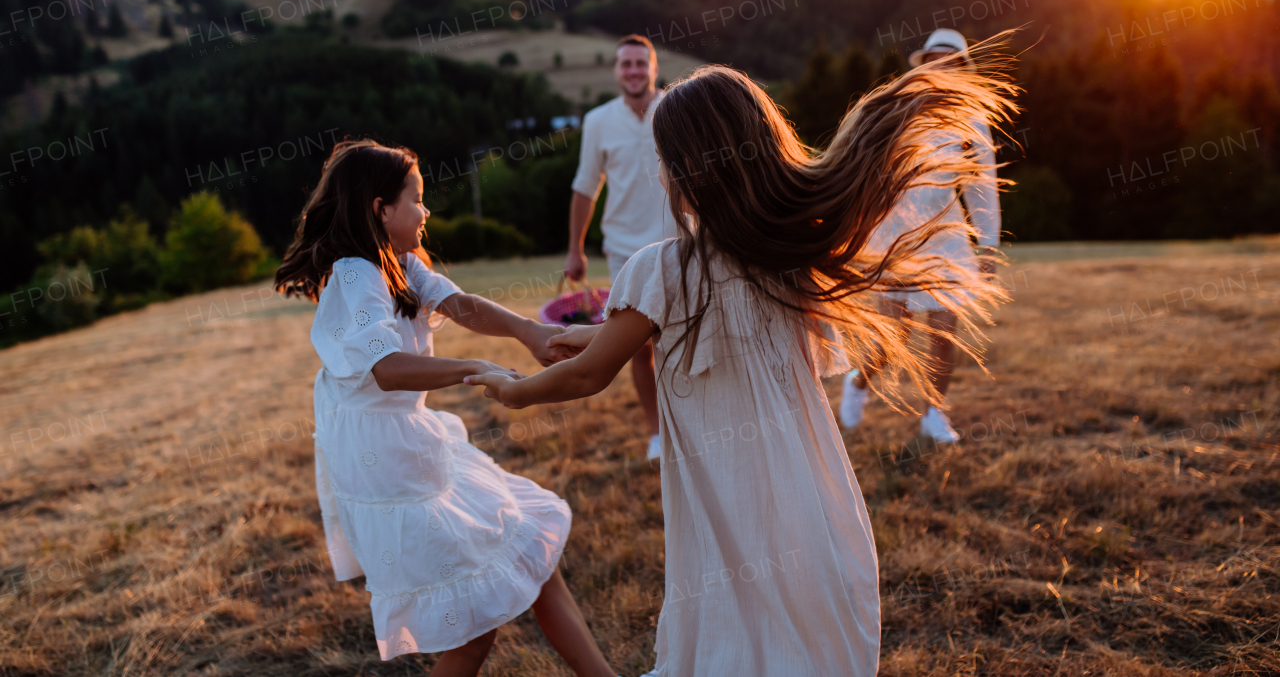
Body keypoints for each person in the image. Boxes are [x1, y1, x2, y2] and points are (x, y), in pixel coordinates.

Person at [466, 55, 1017, 676]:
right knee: (800, 624)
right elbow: (692, 325)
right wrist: (604, 332)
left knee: (733, 618)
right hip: (808, 491)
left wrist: (514, 391)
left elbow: (590, 375)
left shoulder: (660, 268)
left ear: (686, 171)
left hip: (725, 498)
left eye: (663, 159)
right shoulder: (788, 253)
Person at [275, 140, 615, 677]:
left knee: (528, 550)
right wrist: (472, 367)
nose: (425, 210)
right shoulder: (354, 274)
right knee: (473, 635)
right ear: (380, 209)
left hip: (413, 445)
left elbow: (461, 304)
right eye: (416, 198)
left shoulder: (400, 263)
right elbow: (385, 368)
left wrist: (530, 331)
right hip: (385, 465)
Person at [837, 28, 1002, 443]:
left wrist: (989, 245)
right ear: (924, 64)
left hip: (946, 237)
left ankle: (934, 415)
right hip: (895, 236)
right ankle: (858, 383)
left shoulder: (973, 118)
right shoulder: (896, 108)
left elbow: (981, 185)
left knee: (944, 336)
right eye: (934, 59)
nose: (942, 66)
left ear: (963, 68)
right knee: (893, 340)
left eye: (951, 60)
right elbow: (864, 169)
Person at [566, 34, 679, 461]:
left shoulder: (675, 106)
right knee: (637, 345)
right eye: (625, 64)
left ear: (653, 67)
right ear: (616, 71)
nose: (633, 71)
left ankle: (686, 425)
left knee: (685, 336)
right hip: (624, 251)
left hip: (676, 241)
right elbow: (584, 187)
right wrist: (575, 249)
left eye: (640, 63)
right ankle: (657, 434)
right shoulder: (598, 121)